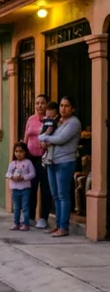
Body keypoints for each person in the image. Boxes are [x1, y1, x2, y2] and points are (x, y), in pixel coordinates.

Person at [39, 95, 82, 238]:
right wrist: (45, 139)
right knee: (55, 195)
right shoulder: (57, 121)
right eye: (62, 105)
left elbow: (61, 139)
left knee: (63, 195)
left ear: (73, 108)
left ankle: (64, 227)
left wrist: (45, 138)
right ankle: (57, 225)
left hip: (65, 162)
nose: (63, 108)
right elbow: (46, 132)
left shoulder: (74, 123)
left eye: (67, 106)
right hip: (52, 161)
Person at [23, 94, 53, 229]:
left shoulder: (50, 121)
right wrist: (23, 155)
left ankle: (43, 217)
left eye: (42, 103)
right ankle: (30, 216)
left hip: (44, 158)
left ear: (47, 105)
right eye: (37, 103)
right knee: (31, 187)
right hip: (30, 157)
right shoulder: (31, 119)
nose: (39, 105)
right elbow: (26, 137)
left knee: (45, 187)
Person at [5, 142, 36, 231]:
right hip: (15, 189)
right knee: (16, 207)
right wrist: (12, 177)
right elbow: (8, 173)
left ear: (25, 152)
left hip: (25, 188)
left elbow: (33, 174)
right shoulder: (12, 163)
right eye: (16, 151)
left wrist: (23, 177)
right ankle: (16, 223)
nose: (18, 153)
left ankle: (26, 223)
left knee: (25, 207)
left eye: (21, 151)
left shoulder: (28, 162)